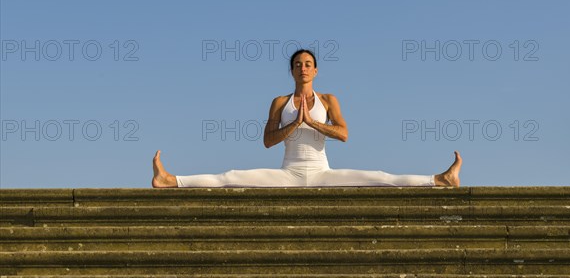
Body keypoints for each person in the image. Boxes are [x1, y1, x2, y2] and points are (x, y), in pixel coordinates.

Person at [152, 49, 462, 188]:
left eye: (308, 64)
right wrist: (293, 124)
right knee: (230, 176)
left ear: (315, 71)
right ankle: (169, 180)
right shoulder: (280, 101)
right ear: (292, 71)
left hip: (323, 173)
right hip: (288, 174)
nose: (303, 68)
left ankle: (440, 179)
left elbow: (344, 134)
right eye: (298, 64)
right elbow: (267, 142)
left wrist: (311, 122)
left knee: (380, 176)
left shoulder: (328, 100)